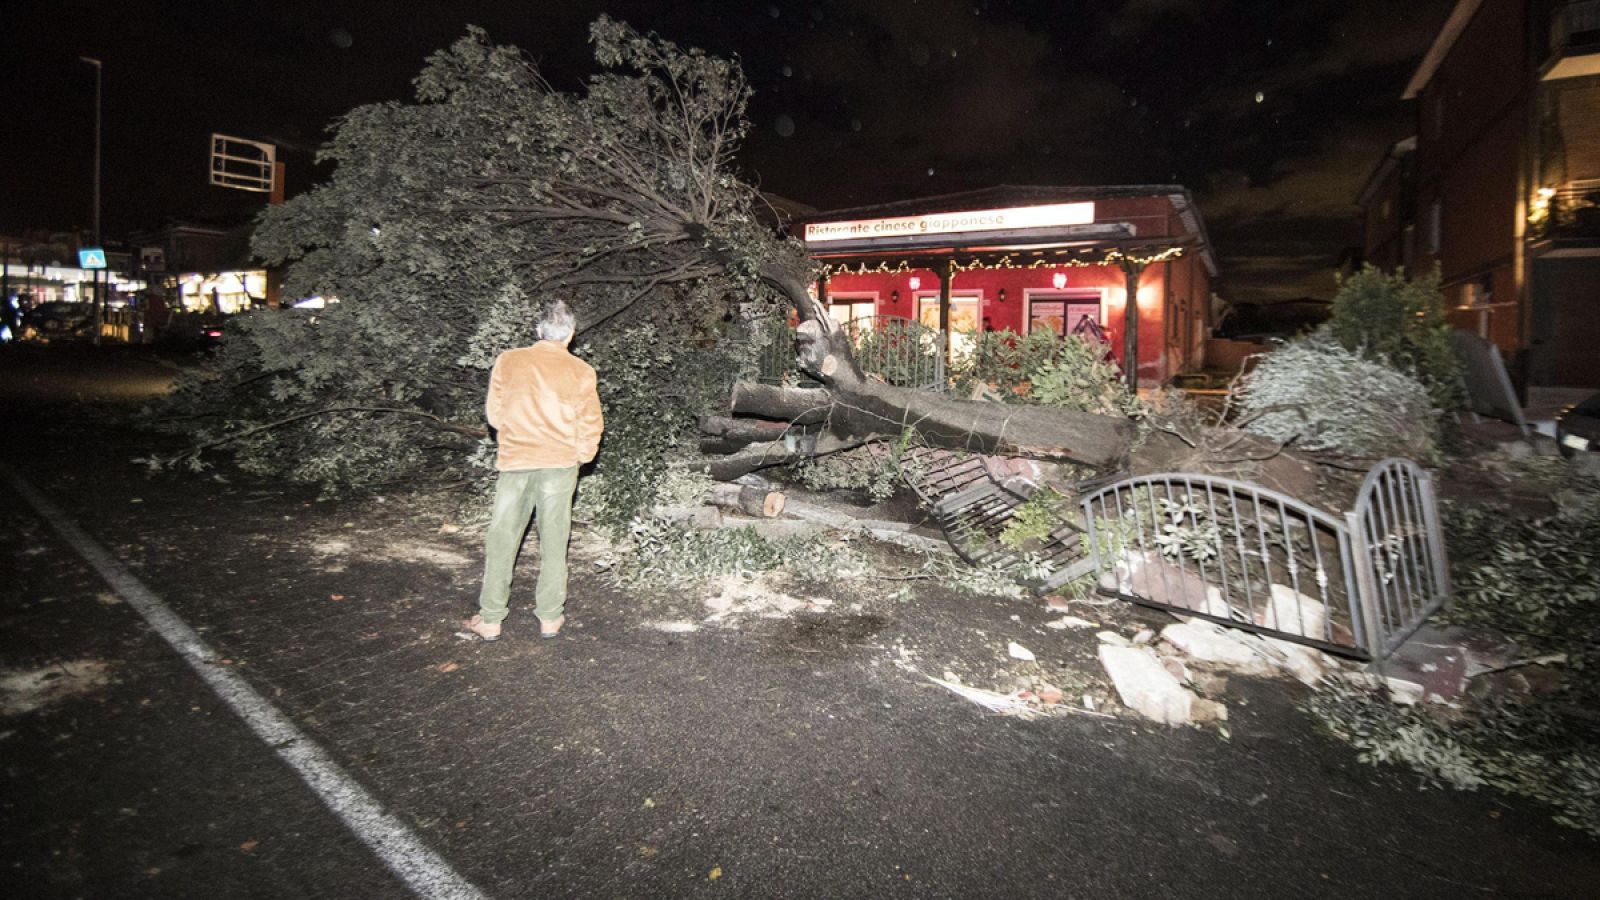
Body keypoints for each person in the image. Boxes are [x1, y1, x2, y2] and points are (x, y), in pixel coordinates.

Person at [463, 300, 603, 641]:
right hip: (560, 465)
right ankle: (550, 617)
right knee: (555, 540)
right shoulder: (581, 371)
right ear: (570, 335)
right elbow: (591, 424)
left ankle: (492, 618)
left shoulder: (508, 361)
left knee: (502, 538)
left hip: (517, 462)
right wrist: (580, 457)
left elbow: (495, 416)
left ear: (538, 331)